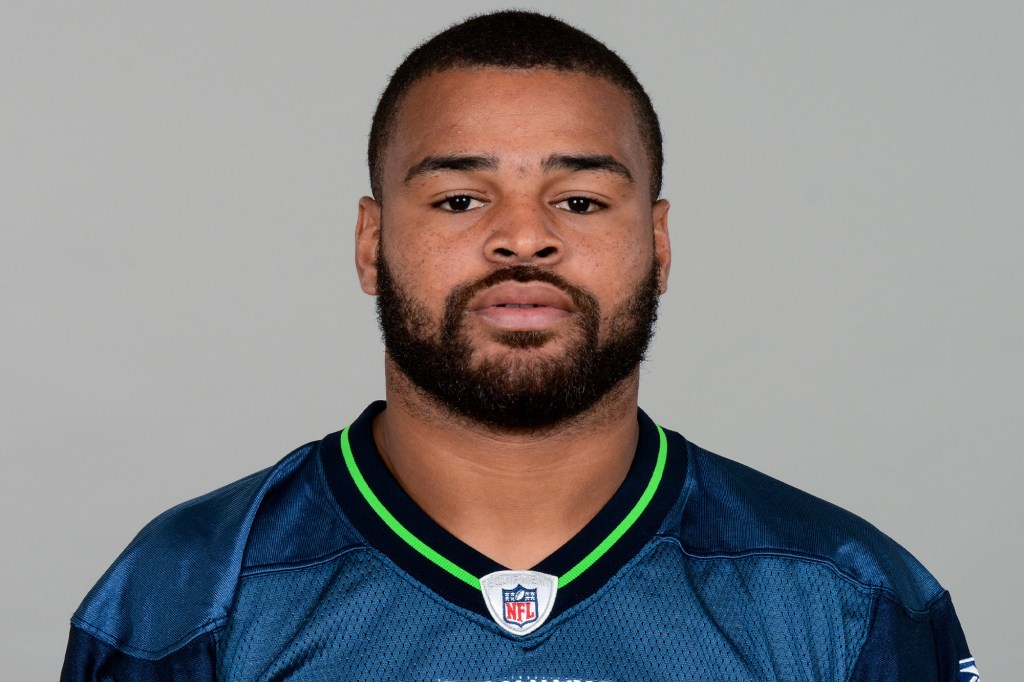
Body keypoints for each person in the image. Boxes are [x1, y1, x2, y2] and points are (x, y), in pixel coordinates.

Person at [61, 10, 975, 681]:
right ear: (371, 244)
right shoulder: (188, 593)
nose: (524, 238)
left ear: (658, 245)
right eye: (460, 200)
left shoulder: (844, 598)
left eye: (579, 201)